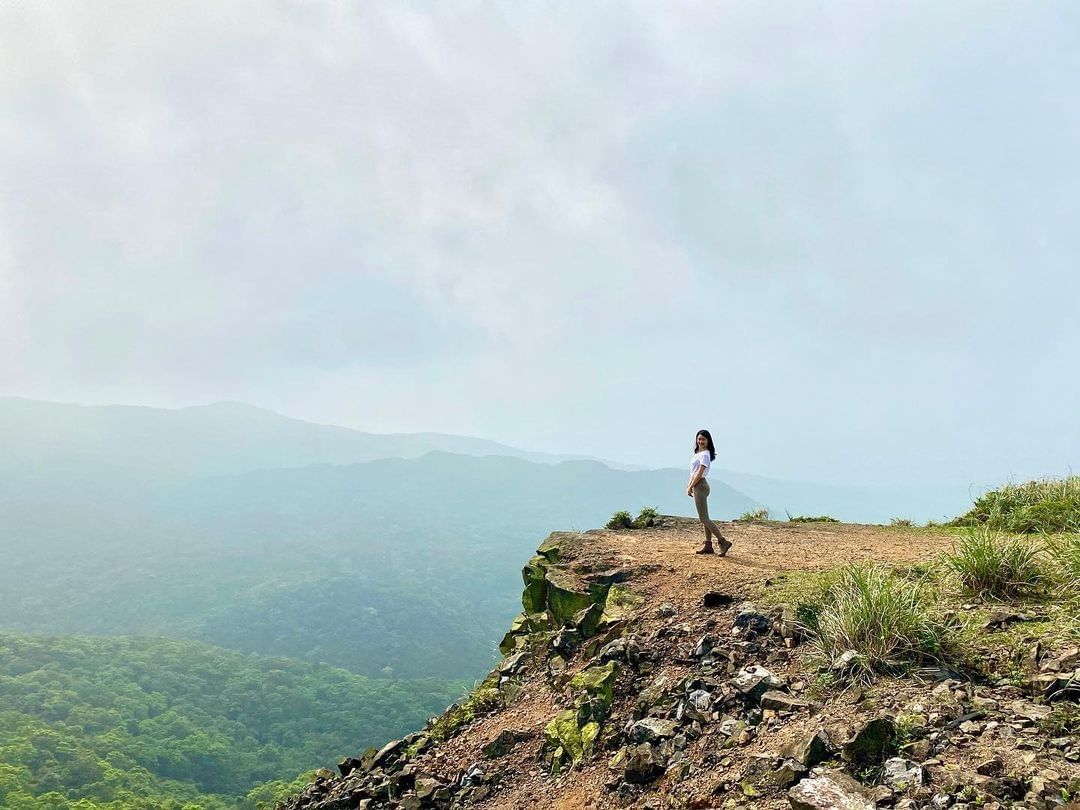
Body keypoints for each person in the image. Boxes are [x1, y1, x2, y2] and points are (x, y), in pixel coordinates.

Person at [686, 429, 731, 555]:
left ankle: (723, 541)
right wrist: (689, 485)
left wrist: (691, 486)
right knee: (705, 517)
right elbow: (693, 472)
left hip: (700, 485)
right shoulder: (698, 454)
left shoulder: (705, 455)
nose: (700, 441)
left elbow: (700, 473)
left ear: (708, 441)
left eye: (703, 439)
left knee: (703, 518)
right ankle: (708, 545)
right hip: (697, 485)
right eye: (699, 439)